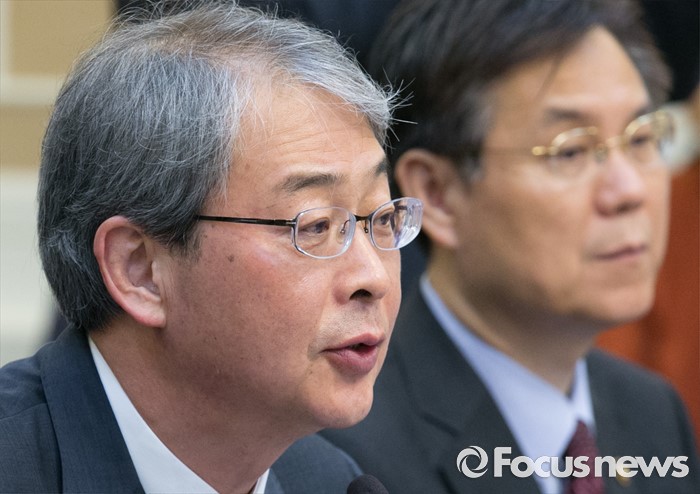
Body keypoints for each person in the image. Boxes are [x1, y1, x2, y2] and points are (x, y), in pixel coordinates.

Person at [0, 2, 423, 492]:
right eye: (315, 226)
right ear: (140, 269)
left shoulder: (327, 480)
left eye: (381, 218)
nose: (373, 277)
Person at [322, 0, 699, 493]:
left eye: (642, 138)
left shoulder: (651, 412)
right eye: (571, 150)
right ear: (436, 194)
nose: (628, 190)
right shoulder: (348, 453)